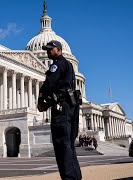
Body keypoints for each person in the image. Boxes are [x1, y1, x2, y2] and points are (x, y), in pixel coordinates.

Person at [38, 40, 82, 179]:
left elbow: (48, 85)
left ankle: (68, 178)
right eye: (47, 49)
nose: (48, 51)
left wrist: (42, 102)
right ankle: (75, 177)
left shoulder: (56, 65)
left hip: (61, 108)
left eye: (51, 49)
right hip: (71, 107)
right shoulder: (68, 65)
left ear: (59, 50)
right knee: (69, 146)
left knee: (62, 146)